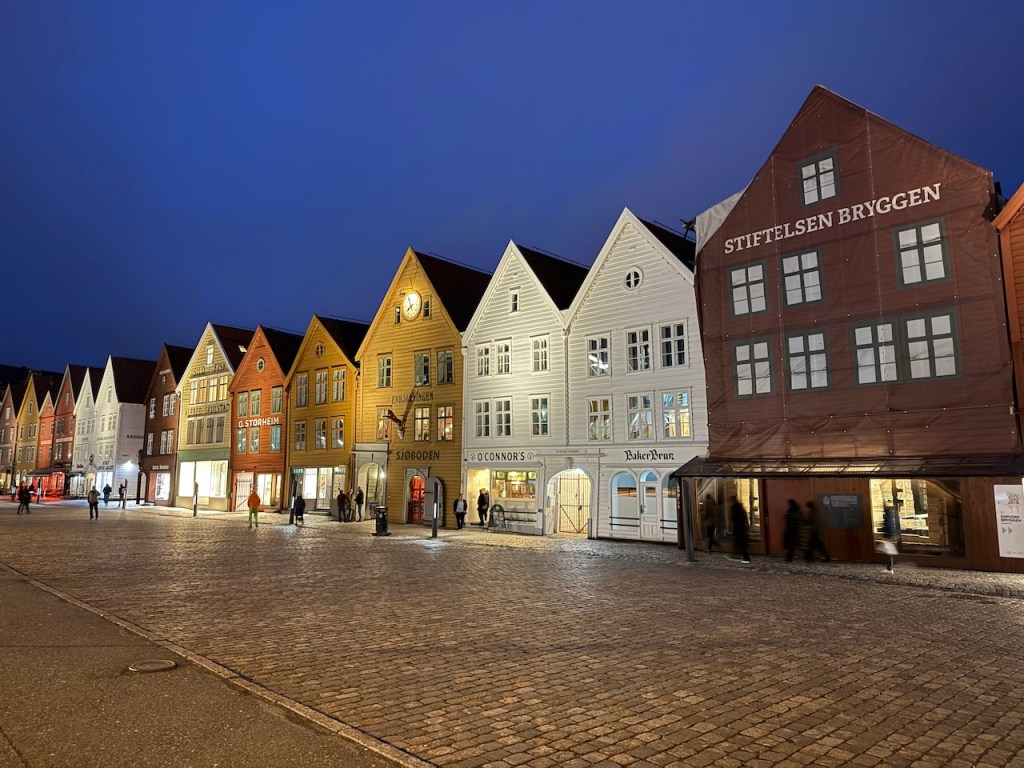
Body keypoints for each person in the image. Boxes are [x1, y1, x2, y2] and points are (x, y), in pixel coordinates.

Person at [877, 501, 899, 572]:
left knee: (888, 552)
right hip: (890, 535)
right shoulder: (890, 513)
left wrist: (887, 535)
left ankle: (890, 568)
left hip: (889, 535)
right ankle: (889, 567)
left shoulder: (888, 513)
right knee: (888, 551)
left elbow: (889, 525)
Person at [729, 495, 750, 563]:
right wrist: (747, 524)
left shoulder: (734, 507)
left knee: (740, 542)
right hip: (741, 527)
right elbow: (744, 515)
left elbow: (733, 518)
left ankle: (746, 556)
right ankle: (738, 554)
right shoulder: (740, 507)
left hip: (738, 527)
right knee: (739, 541)